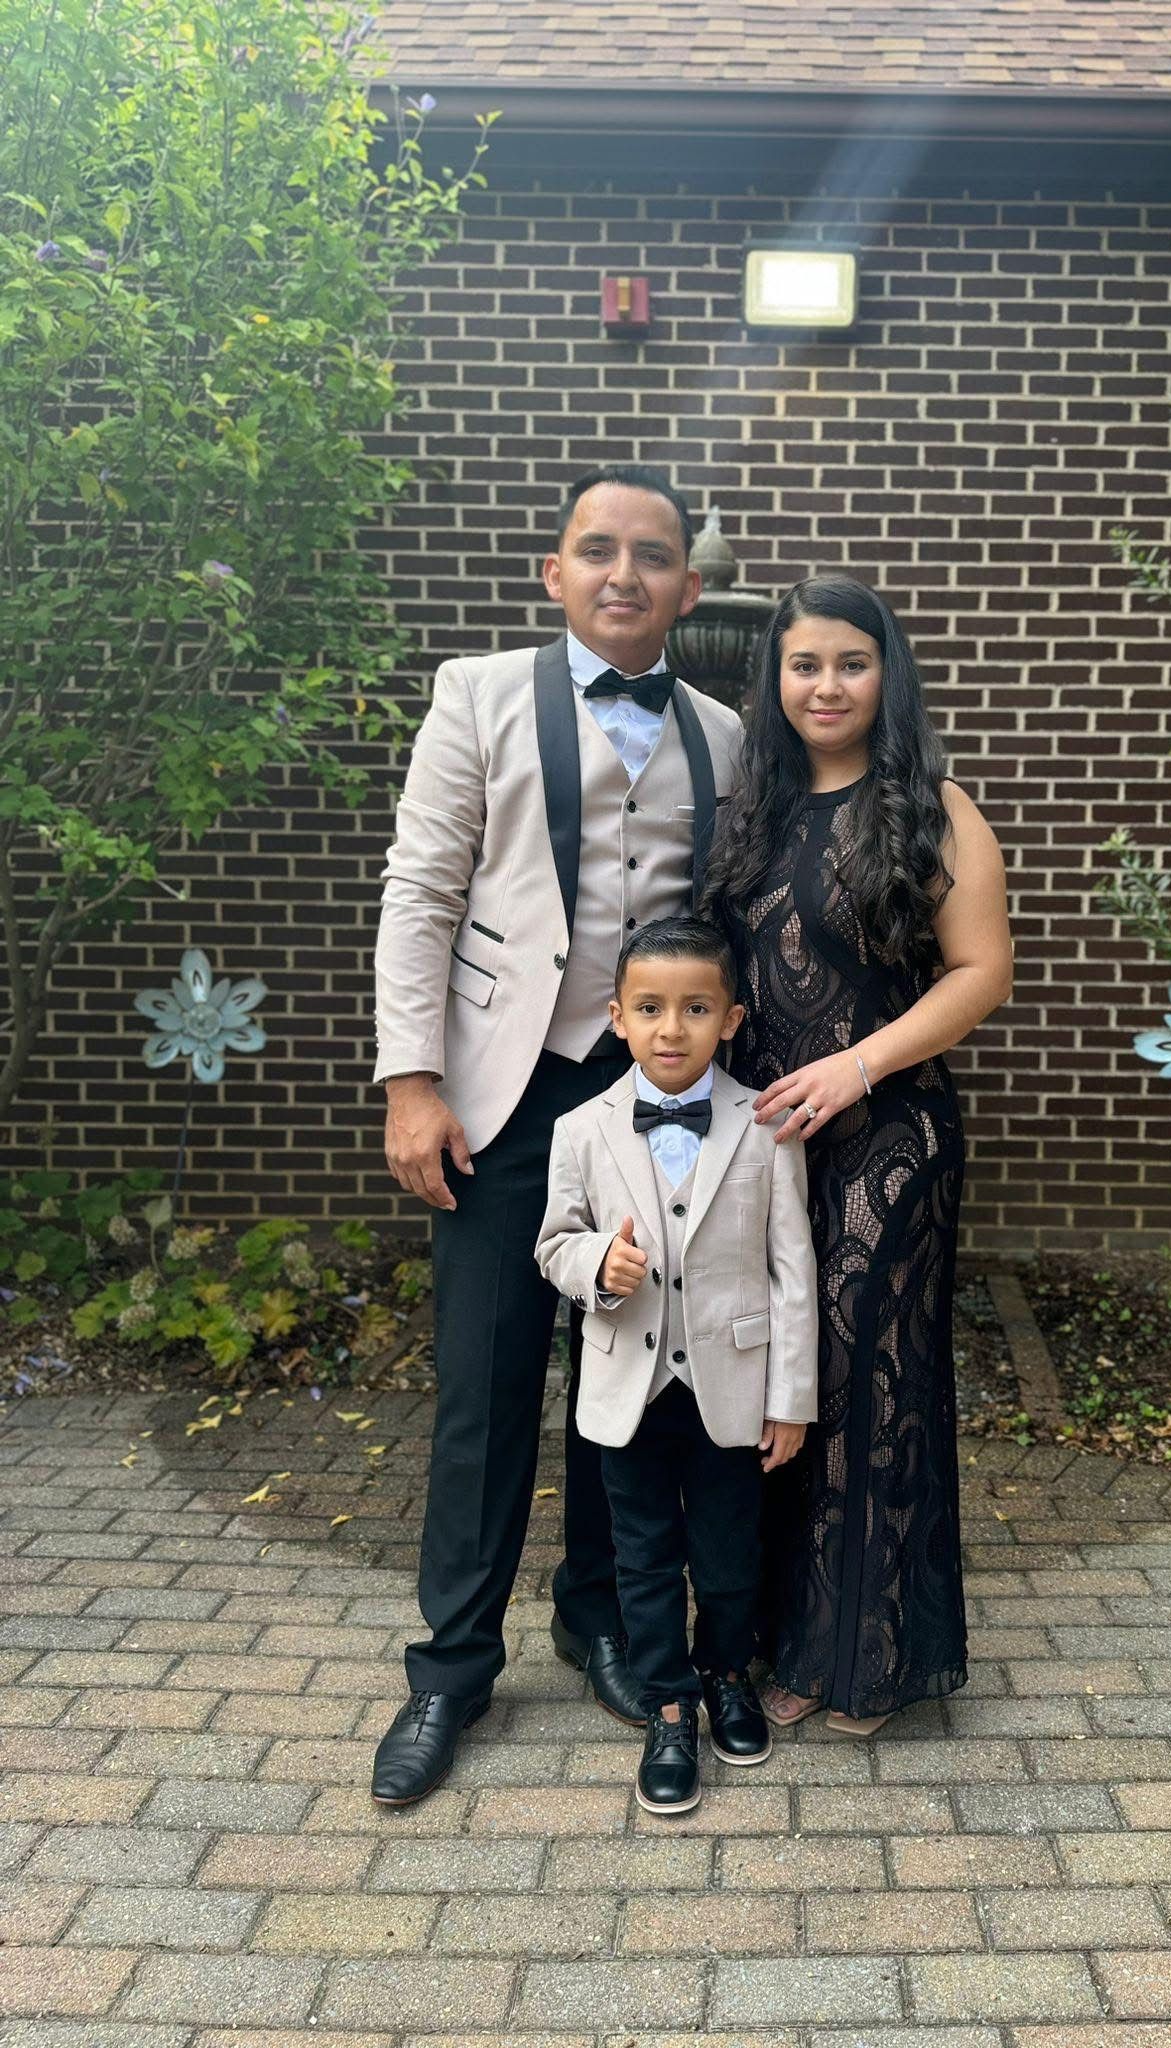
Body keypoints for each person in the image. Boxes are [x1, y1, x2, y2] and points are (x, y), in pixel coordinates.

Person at [370, 465, 742, 1806]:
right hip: (500, 1092)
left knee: (625, 1375)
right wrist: (413, 1080)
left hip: (648, 1100)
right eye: (599, 549)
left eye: (652, 556)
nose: (624, 573)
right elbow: (422, 890)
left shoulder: (724, 729)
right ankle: (451, 1670)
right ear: (557, 572)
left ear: (687, 591)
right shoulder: (476, 694)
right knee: (483, 1385)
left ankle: (597, 1620)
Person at [701, 576, 1013, 1735]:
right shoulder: (751, 809)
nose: (825, 685)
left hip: (889, 1137)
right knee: (778, 1382)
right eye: (803, 665)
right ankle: (785, 1630)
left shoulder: (931, 807)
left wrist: (856, 1066)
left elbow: (982, 972)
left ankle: (863, 1658)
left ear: (887, 676)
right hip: (770, 1147)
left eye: (849, 662)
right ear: (774, 682)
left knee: (861, 1384)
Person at [535, 916, 817, 1814]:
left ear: (730, 1019)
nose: (671, 1028)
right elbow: (553, 1246)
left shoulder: (766, 1126)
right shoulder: (582, 1128)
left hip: (730, 1390)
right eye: (650, 1008)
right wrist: (597, 1271)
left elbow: (792, 1273)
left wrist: (793, 1399)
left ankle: (728, 1672)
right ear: (617, 1017)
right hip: (630, 1389)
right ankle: (667, 1704)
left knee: (730, 1553)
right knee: (644, 1560)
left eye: (695, 1008)